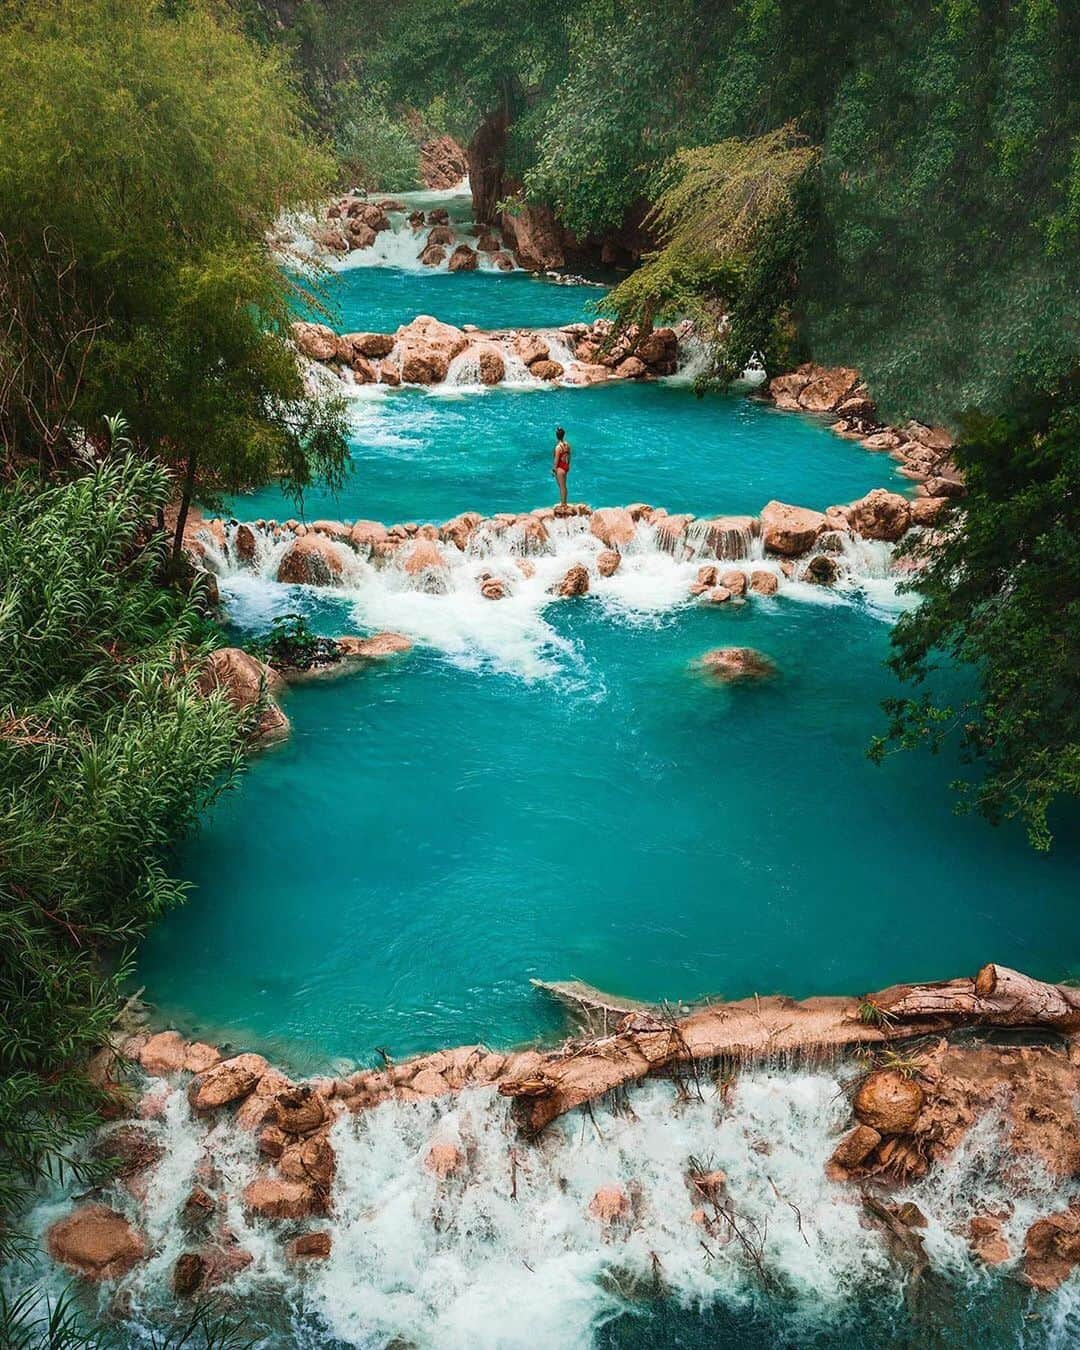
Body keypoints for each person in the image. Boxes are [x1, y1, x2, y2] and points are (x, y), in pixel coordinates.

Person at [552, 426, 571, 506]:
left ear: (557, 436)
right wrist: (567, 465)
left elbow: (556, 461)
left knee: (561, 487)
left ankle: (563, 504)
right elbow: (569, 456)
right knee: (564, 486)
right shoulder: (567, 444)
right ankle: (564, 502)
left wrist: (553, 470)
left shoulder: (558, 447)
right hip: (565, 466)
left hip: (560, 468)